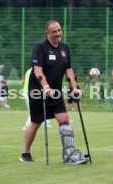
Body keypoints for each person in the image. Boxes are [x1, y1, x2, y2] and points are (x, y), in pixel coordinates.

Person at [19, 20, 88, 164]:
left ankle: (68, 154)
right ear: (48, 33)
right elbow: (37, 70)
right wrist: (45, 87)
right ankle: (25, 153)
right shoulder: (40, 47)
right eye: (54, 31)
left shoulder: (64, 48)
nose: (58, 34)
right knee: (36, 122)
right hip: (38, 91)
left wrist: (74, 88)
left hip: (55, 92)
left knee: (64, 119)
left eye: (59, 30)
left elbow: (69, 71)